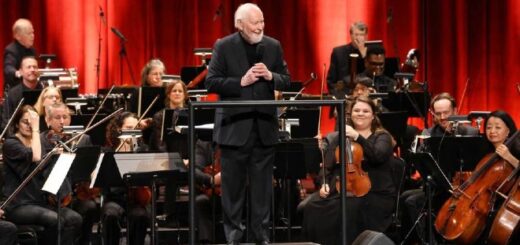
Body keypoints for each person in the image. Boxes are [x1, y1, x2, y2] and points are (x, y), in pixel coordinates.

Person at [205, 3, 291, 244]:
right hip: (234, 130)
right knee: (232, 192)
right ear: (240, 24)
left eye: (262, 21)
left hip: (264, 129)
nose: (260, 26)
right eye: (255, 22)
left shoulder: (273, 46)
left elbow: (287, 79)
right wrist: (239, 81)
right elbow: (211, 82)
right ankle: (234, 239)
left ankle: (260, 238)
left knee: (262, 191)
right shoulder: (224, 46)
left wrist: (271, 76)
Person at [302, 96, 397, 244]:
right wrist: (324, 183)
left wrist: (358, 137)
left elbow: (377, 156)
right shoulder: (341, 136)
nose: (360, 113)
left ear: (373, 116)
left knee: (348, 208)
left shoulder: (382, 136)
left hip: (375, 191)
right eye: (357, 110)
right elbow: (327, 165)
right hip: (347, 188)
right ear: (350, 114)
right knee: (312, 206)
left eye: (366, 111)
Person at [400, 92, 478, 243]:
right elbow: (425, 166)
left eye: (446, 113)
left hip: (464, 189)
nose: (442, 118)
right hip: (440, 187)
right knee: (405, 198)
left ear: (455, 111)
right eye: (438, 114)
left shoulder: (470, 132)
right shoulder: (428, 134)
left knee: (412, 201)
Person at [2, 105, 82, 245]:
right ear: (16, 123)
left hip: (40, 201)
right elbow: (36, 156)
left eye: (32, 121)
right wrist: (36, 129)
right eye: (25, 122)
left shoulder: (39, 142)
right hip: (18, 205)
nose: (29, 126)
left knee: (74, 218)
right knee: (53, 219)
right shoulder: (11, 143)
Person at [40, 102, 97, 245]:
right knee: (72, 218)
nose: (62, 121)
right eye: (56, 117)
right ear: (47, 120)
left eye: (65, 117)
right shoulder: (41, 141)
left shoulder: (82, 139)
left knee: (90, 207)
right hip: (51, 196)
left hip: (76, 192)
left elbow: (88, 168)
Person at [101, 111, 149, 245]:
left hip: (136, 199)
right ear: (118, 129)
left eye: (136, 128)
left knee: (140, 216)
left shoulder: (143, 150)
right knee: (110, 214)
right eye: (128, 128)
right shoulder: (107, 152)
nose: (132, 132)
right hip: (114, 198)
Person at [327, 21, 368, 97]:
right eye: (356, 35)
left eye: (362, 35)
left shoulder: (371, 53)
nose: (359, 38)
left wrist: (363, 54)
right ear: (351, 35)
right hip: (343, 97)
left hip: (364, 96)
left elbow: (371, 77)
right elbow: (331, 82)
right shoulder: (338, 52)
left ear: (366, 36)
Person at [1, 56, 43, 132]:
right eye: (29, 67)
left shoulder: (44, 90)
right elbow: (6, 121)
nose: (32, 70)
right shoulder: (12, 94)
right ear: (20, 71)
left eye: (35, 67)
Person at [149, 80, 189, 152]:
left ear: (185, 95)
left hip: (189, 157)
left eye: (180, 91)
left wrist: (191, 158)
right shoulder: (160, 116)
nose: (177, 93)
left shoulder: (191, 113)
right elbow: (160, 142)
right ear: (168, 94)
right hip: (168, 157)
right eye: (174, 91)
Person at [3, 18, 36, 93]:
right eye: (29, 33)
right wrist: (17, 73)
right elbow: (8, 68)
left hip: (31, 89)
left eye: (33, 32)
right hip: (15, 91)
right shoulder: (11, 50)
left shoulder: (32, 51)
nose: (32, 36)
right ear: (18, 36)